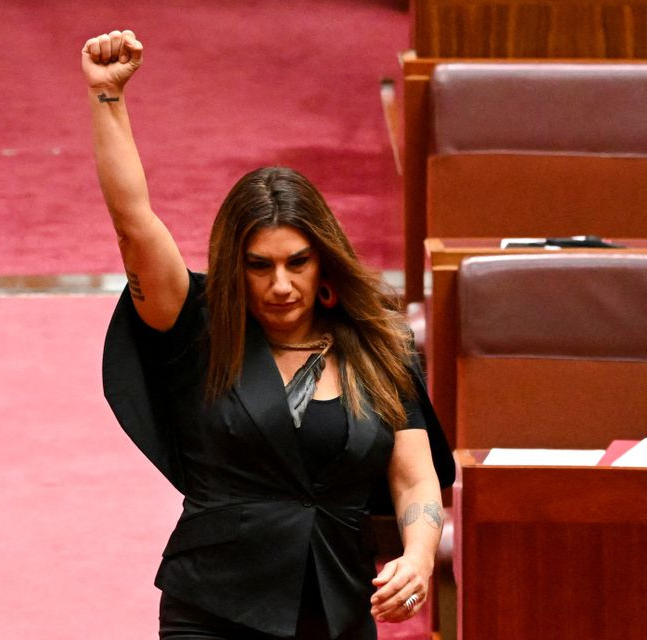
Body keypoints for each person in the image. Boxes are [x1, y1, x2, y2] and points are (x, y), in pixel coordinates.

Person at [84, 29, 454, 640]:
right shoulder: (197, 328)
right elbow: (133, 223)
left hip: (336, 607)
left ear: (324, 260)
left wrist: (416, 556)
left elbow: (415, 476)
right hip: (212, 610)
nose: (281, 285)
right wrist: (108, 98)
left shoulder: (377, 344)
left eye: (297, 263)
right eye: (259, 266)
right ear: (236, 267)